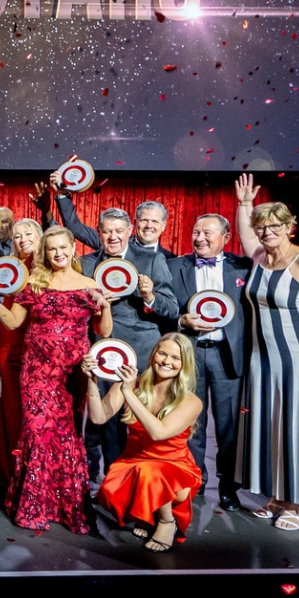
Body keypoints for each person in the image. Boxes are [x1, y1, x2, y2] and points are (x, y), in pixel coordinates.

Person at [0, 226, 113, 533]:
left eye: (62, 248)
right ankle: (34, 506)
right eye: (52, 249)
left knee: (68, 436)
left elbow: (104, 332)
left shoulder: (88, 285)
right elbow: (15, 322)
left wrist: (105, 306)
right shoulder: (35, 282)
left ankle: (68, 509)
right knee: (37, 435)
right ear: (46, 253)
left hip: (73, 373)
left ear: (72, 249)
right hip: (37, 373)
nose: (58, 254)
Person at [232, 175, 299, 531]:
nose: (267, 233)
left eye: (275, 226)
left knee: (298, 426)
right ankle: (277, 496)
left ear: (289, 227)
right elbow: (247, 234)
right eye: (262, 227)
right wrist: (245, 205)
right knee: (271, 426)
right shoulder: (260, 256)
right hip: (262, 359)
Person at [53, 192, 179, 479]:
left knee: (138, 426)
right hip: (102, 352)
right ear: (98, 233)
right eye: (106, 231)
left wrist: (150, 296)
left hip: (141, 356)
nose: (112, 237)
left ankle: (141, 484)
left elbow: (171, 310)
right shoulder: (85, 264)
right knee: (106, 426)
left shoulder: (152, 260)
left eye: (118, 231)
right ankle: (112, 486)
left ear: (129, 231)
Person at [86, 334, 205, 552]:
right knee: (113, 489)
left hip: (175, 470)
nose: (167, 361)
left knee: (150, 472)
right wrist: (92, 380)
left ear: (184, 364)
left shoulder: (191, 401)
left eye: (175, 358)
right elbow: (98, 417)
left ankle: (167, 522)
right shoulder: (134, 383)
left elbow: (158, 433)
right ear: (153, 354)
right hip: (134, 461)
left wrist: (128, 392)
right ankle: (147, 513)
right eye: (162, 353)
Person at [168, 212, 254, 509]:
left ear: (225, 238)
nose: (200, 238)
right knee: (192, 423)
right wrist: (181, 321)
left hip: (226, 355)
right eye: (196, 231)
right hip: (190, 354)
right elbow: (165, 307)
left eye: (208, 233)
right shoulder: (174, 266)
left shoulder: (244, 267)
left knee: (229, 427)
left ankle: (228, 487)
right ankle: (195, 482)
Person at [0, 217, 43, 488]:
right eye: (17, 236)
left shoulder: (50, 267)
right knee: (12, 405)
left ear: (39, 235)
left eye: (28, 234)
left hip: (39, 342)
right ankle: (11, 468)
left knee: (34, 409)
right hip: (9, 338)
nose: (22, 240)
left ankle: (35, 469)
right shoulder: (9, 266)